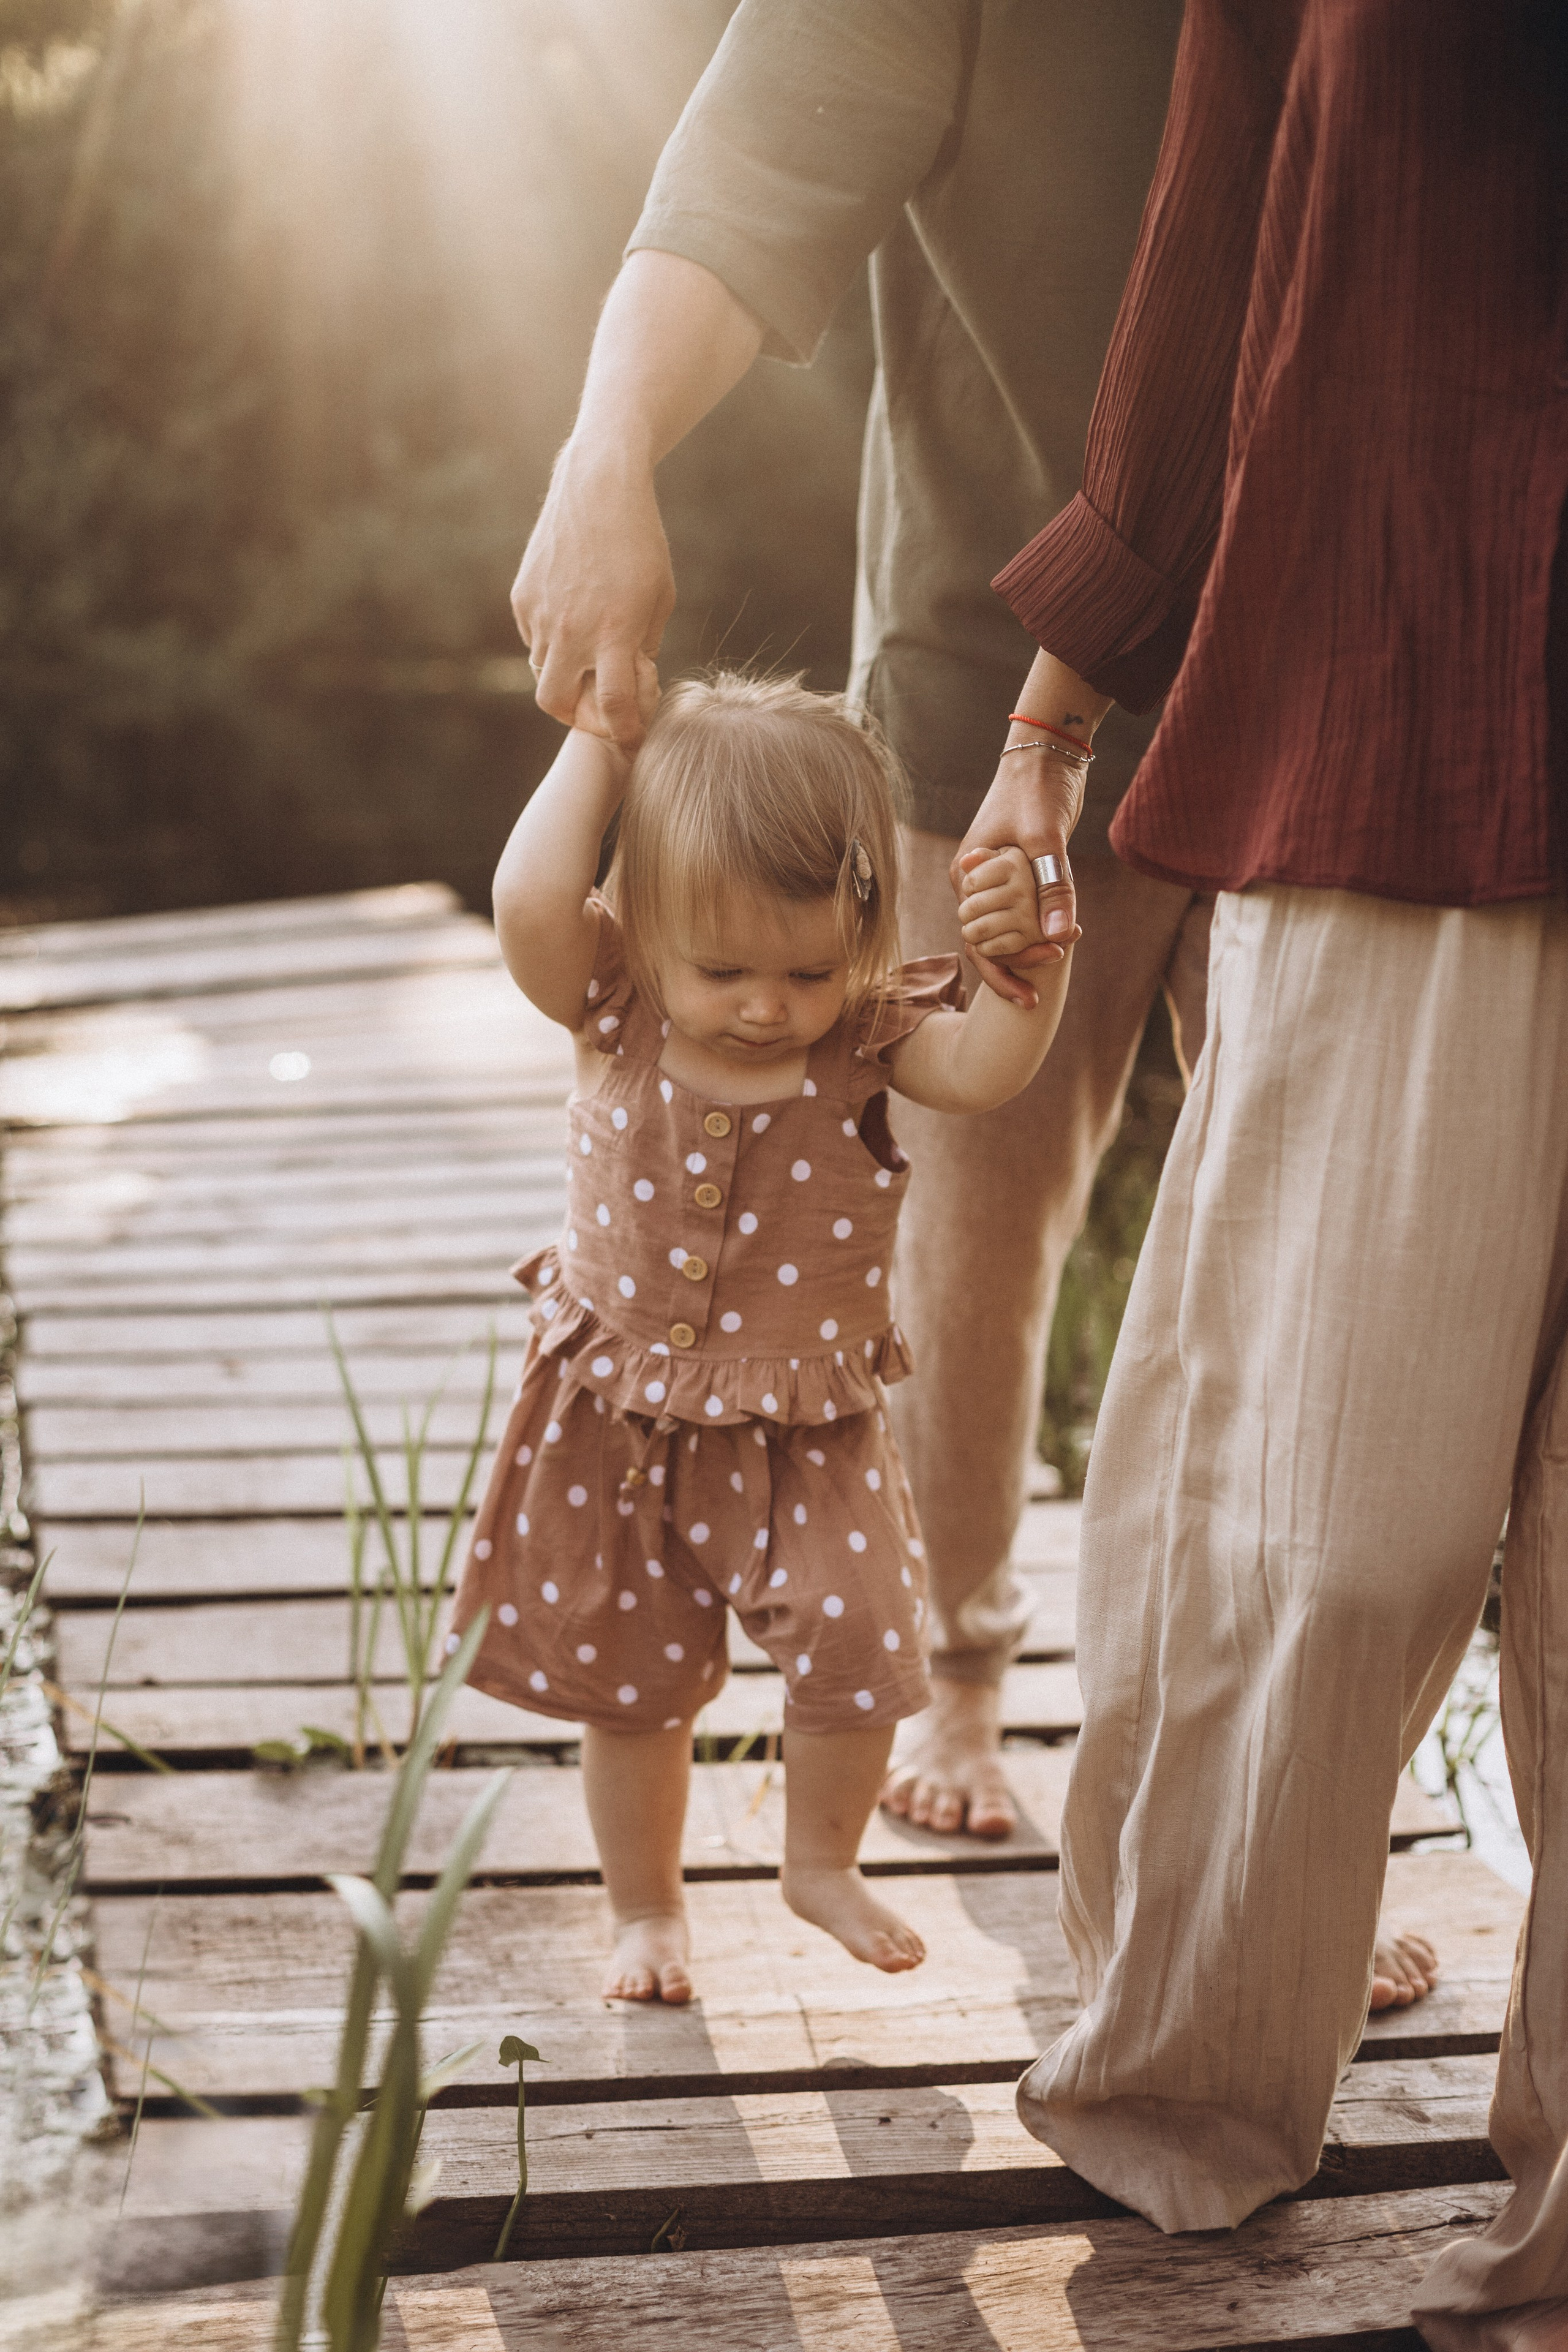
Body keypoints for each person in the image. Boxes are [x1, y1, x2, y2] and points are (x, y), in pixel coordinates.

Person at [957, 1, 1568, 2339]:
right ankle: (1185, 2094)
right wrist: (1057, 707)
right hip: (1380, 697)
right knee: (1332, 1523)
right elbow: (1218, 238)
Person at [511, 0, 1207, 1842]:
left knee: (1295, 1225)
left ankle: (1244, 1793)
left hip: (1357, 663)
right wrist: (608, 457)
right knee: (978, 1188)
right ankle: (965, 1683)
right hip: (991, 644)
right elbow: (740, 193)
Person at [448, 670, 1074, 2002]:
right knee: (635, 1688)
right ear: (645, 921)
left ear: (855, 925)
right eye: (721, 968)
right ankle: (645, 1913)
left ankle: (817, 1861)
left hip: (808, 1426)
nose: (763, 1004)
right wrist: (600, 742)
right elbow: (523, 904)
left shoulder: (867, 1037)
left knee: (860, 1644)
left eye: (800, 967)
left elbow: (989, 1070)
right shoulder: (610, 1000)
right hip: (615, 1411)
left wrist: (1027, 966)